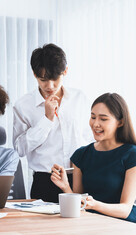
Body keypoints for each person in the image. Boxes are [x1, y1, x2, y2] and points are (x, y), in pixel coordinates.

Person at [51, 93, 136, 224]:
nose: (95, 124)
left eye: (103, 119)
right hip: (90, 225)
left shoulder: (132, 155)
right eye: (93, 117)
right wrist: (66, 187)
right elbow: (80, 204)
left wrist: (95, 205)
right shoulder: (81, 155)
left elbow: (125, 210)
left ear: (120, 122)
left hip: (124, 227)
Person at [13, 43, 93, 203]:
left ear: (65, 72)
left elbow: (90, 139)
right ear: (35, 75)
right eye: (43, 79)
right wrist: (47, 119)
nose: (49, 86)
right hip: (44, 182)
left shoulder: (80, 99)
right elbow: (19, 149)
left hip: (80, 178)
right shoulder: (23, 105)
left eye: (55, 79)